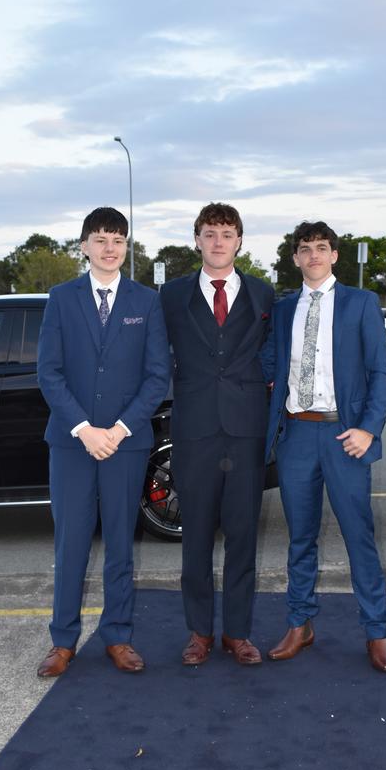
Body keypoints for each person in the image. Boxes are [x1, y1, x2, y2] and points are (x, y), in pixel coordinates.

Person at [36, 207, 171, 677]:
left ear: (126, 246)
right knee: (70, 543)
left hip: (125, 444)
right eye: (100, 239)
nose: (109, 248)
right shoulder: (61, 298)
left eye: (117, 239)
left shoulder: (146, 302)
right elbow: (48, 373)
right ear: (84, 246)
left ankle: (118, 635)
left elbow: (157, 377)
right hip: (72, 444)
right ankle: (63, 641)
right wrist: (84, 429)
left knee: (119, 542)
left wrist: (117, 430)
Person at [261, 221, 386, 672]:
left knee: (359, 536)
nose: (314, 255)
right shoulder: (283, 310)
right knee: (299, 537)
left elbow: (381, 373)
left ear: (335, 255)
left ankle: (376, 631)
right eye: (305, 249)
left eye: (322, 248)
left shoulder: (362, 304)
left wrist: (369, 429)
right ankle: (300, 624)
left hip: (345, 436)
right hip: (297, 435)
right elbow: (266, 365)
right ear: (296, 258)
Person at [161, 203, 274, 666]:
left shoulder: (264, 295)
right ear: (197, 240)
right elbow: (153, 355)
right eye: (210, 233)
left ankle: (238, 632)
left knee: (244, 535)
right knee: (196, 537)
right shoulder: (169, 295)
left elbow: (274, 354)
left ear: (240, 240)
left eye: (227, 233)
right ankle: (199, 633)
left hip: (246, 431)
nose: (218, 241)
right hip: (195, 430)